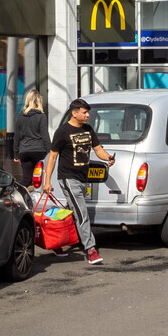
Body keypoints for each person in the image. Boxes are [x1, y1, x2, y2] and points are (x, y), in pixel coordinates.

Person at [43, 98, 113, 267]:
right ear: (74, 113)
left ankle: (56, 241)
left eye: (87, 112)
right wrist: (47, 182)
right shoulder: (62, 132)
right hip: (68, 178)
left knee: (70, 211)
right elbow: (52, 156)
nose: (87, 115)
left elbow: (98, 150)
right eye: (84, 112)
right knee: (82, 213)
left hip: (83, 178)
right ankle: (90, 249)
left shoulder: (88, 129)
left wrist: (108, 158)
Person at [13, 87, 50, 183]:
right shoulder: (42, 116)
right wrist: (50, 153)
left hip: (24, 151)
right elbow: (45, 136)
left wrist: (16, 154)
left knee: (27, 179)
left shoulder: (21, 116)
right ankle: (39, 197)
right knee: (41, 180)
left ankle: (20, 195)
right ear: (39, 101)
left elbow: (17, 136)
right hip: (39, 151)